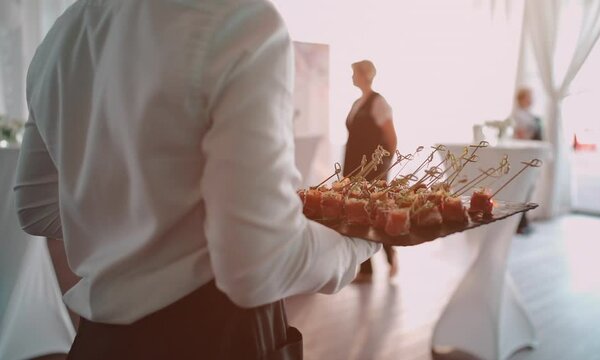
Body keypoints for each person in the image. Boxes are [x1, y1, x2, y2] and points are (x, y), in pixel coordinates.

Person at [13, 1, 380, 359]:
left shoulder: (64, 32)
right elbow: (258, 263)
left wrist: (135, 226)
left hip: (100, 340)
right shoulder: (240, 19)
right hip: (215, 336)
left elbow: (36, 206)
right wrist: (361, 242)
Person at [343, 60, 398, 283]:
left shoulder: (379, 102)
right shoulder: (357, 103)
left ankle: (391, 255)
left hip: (373, 169)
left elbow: (391, 139)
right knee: (357, 213)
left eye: (354, 73)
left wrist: (382, 169)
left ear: (365, 75)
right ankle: (366, 269)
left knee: (376, 212)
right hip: (354, 166)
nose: (352, 77)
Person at [511, 86, 542, 234]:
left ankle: (523, 220)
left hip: (531, 154)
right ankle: (519, 223)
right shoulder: (518, 116)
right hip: (523, 155)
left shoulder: (528, 115)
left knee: (529, 187)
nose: (531, 100)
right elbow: (521, 135)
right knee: (522, 187)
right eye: (529, 97)